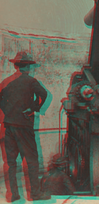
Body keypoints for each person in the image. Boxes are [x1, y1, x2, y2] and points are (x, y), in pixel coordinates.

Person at [0, 51, 50, 202]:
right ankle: (34, 194)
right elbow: (45, 95)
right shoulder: (31, 81)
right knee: (32, 161)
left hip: (9, 127)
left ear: (16, 66)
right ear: (28, 66)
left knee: (10, 163)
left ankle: (12, 195)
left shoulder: (6, 81)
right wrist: (34, 108)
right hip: (24, 128)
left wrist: (8, 113)